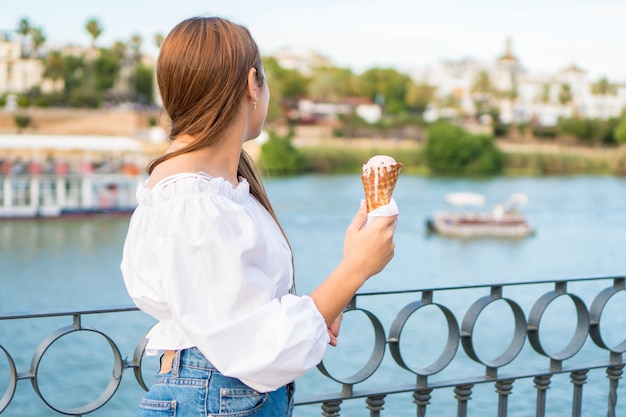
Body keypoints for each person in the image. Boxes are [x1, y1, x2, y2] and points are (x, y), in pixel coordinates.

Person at [120, 16, 397, 417]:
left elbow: (233, 309)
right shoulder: (192, 202)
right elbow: (257, 348)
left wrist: (325, 305)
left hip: (215, 392)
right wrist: (356, 268)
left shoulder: (207, 190)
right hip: (218, 395)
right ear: (253, 84)